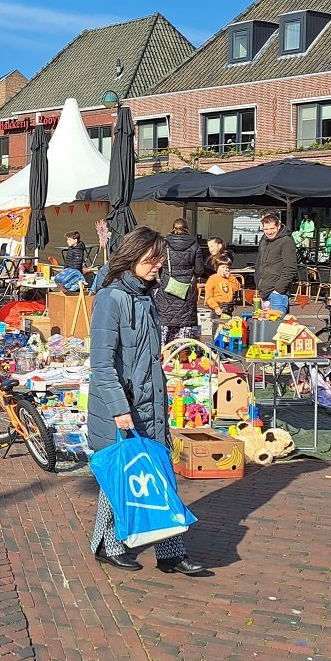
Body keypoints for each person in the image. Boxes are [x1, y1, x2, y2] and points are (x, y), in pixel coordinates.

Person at [87, 227, 205, 576]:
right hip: (123, 405)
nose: (158, 266)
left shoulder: (145, 296)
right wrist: (119, 409)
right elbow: (102, 363)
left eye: (160, 260)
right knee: (123, 476)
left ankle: (170, 550)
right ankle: (107, 544)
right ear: (133, 257)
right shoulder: (112, 298)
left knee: (157, 472)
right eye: (152, 259)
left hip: (149, 401)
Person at [155, 219, 207, 344]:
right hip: (187, 288)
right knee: (186, 321)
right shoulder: (195, 245)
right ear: (186, 228)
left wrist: (166, 276)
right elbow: (200, 270)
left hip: (167, 286)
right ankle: (183, 351)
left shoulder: (164, 244)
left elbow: (159, 266)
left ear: (173, 228)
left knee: (165, 320)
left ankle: (164, 351)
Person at [254, 212, 296, 302]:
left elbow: (290, 268)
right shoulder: (264, 241)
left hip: (278, 293)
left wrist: (278, 290)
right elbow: (260, 264)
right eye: (266, 229)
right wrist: (258, 283)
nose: (269, 232)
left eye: (272, 228)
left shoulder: (286, 241)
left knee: (278, 316)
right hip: (264, 291)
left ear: (279, 226)